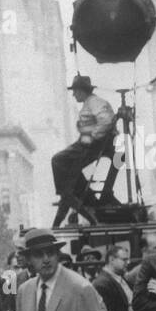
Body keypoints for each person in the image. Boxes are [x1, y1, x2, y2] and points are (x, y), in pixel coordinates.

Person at [51, 75, 116, 227]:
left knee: (57, 160)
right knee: (69, 180)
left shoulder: (95, 102)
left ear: (81, 91)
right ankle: (68, 195)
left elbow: (107, 120)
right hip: (86, 144)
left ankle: (65, 194)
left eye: (75, 91)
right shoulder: (90, 103)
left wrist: (92, 137)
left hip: (90, 145)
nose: (74, 94)